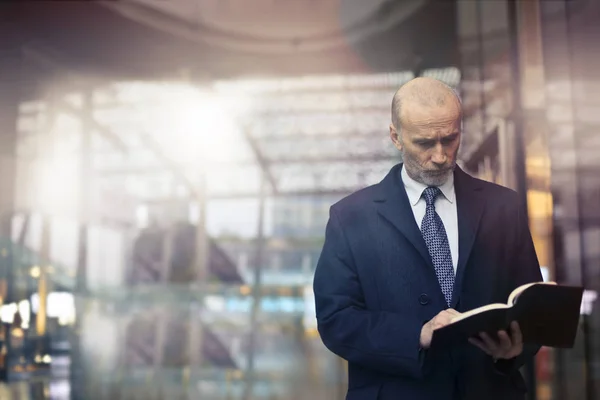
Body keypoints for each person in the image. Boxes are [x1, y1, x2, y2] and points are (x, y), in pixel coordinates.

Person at [313, 77, 542, 400]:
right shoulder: (350, 217)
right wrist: (417, 334)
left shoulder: (503, 206)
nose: (440, 156)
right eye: (424, 143)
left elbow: (528, 306)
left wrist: (515, 349)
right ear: (396, 137)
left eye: (450, 139)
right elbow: (336, 320)